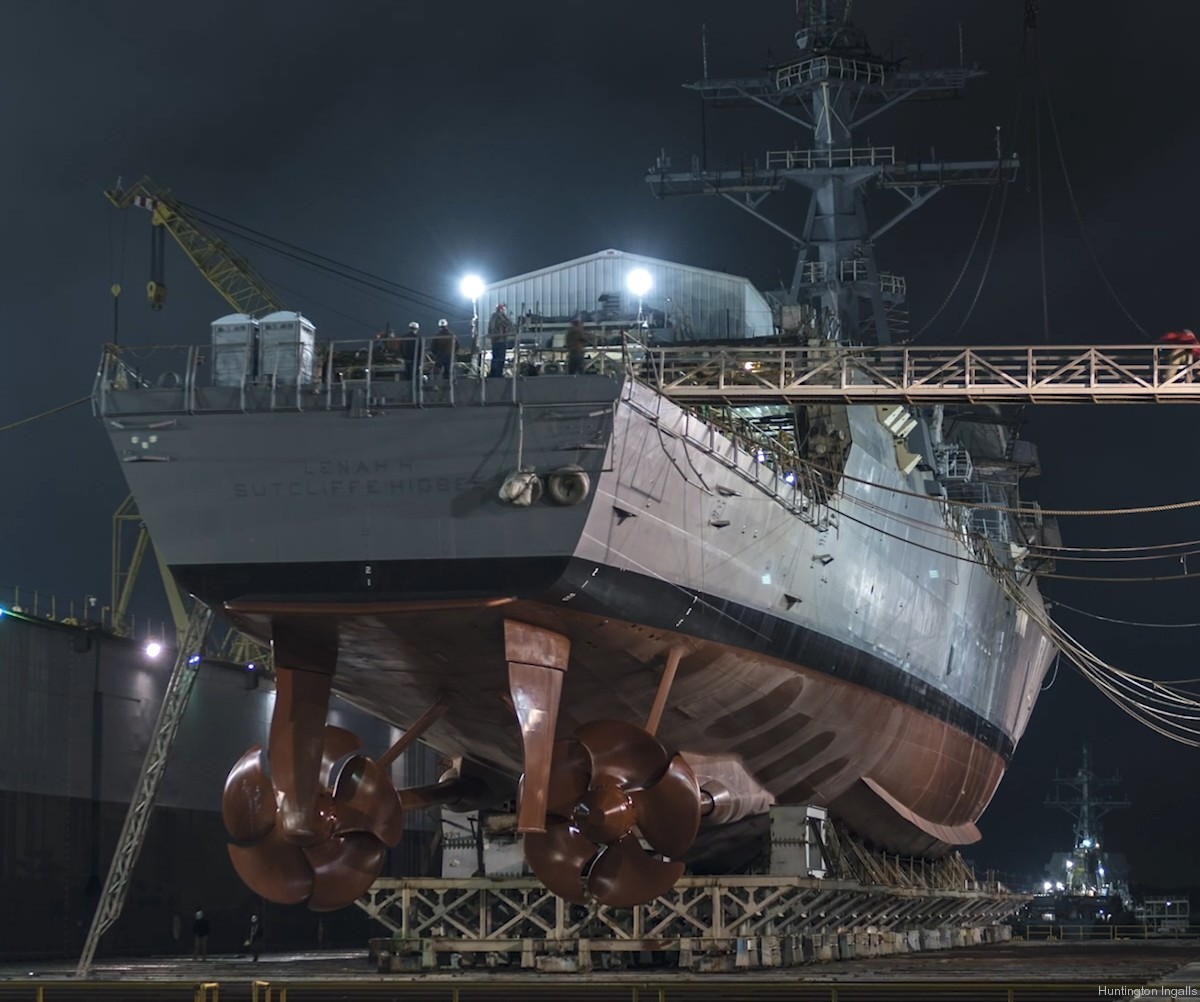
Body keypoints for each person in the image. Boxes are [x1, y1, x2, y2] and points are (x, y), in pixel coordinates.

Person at [488, 303, 514, 378]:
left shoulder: (493, 317)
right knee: (499, 358)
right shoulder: (501, 317)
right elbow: (509, 326)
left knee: (496, 357)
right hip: (500, 340)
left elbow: (491, 329)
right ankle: (497, 374)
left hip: (495, 341)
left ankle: (494, 373)